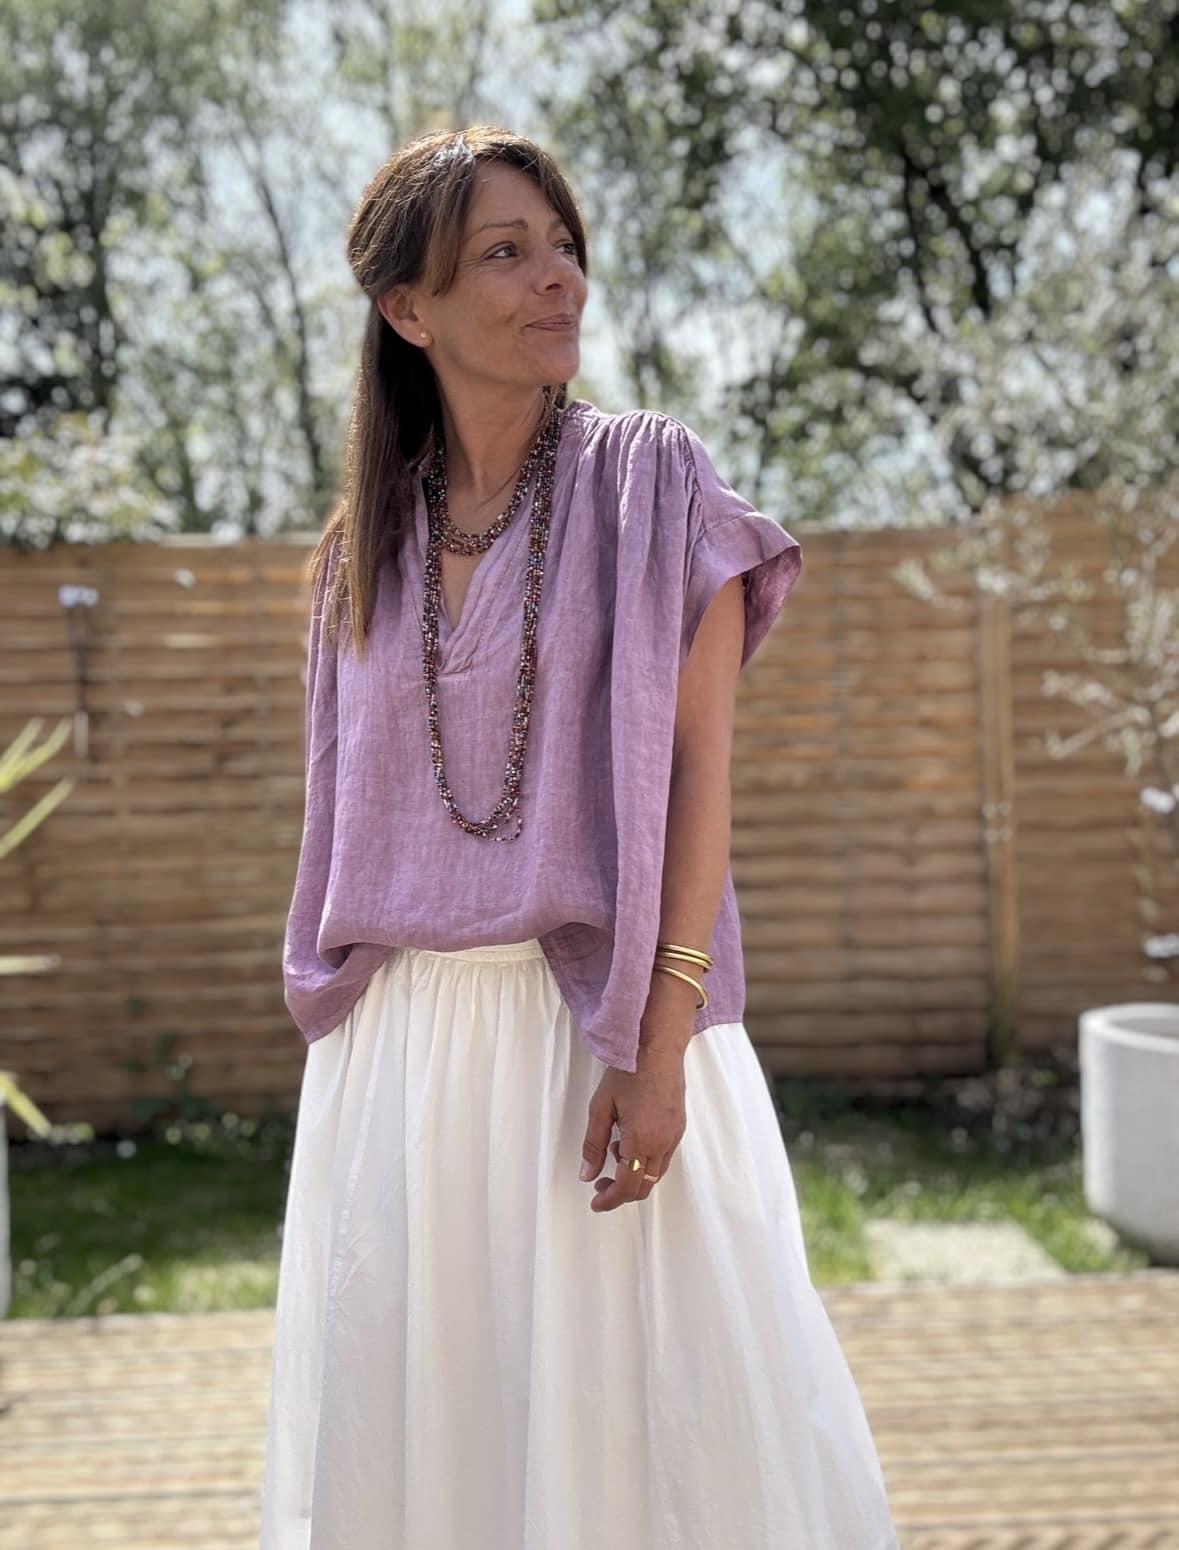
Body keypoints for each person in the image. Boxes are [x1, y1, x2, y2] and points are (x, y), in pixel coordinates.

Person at [258, 124, 901, 1550]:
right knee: (434, 1456)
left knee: (645, 1453)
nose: (558, 277)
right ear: (407, 309)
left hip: (595, 1038)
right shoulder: (360, 551)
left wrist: (658, 1048)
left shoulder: (654, 484)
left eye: (564, 246)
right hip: (403, 1066)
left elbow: (699, 779)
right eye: (507, 252)